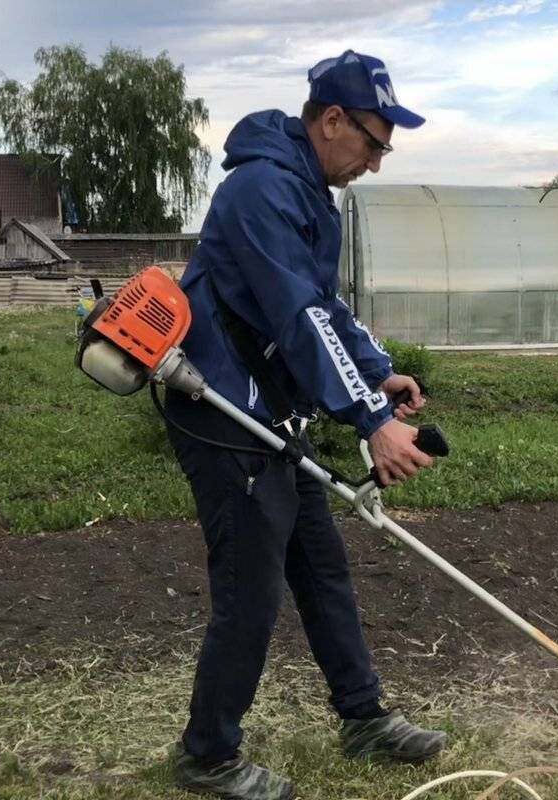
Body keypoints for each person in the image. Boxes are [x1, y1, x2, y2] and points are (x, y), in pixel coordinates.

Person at [163, 50, 446, 800]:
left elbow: (324, 306)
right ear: (331, 121)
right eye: (375, 144)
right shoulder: (261, 190)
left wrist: (375, 368)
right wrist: (373, 421)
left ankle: (363, 718)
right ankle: (208, 756)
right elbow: (298, 317)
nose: (377, 164)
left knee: (321, 569)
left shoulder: (307, 192)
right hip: (225, 415)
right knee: (250, 593)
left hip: (271, 415)